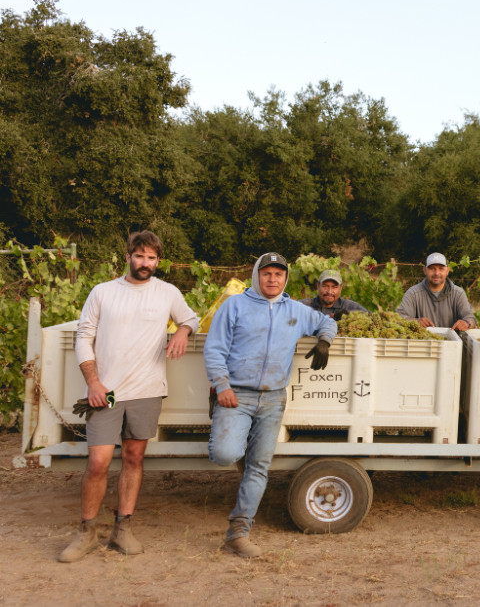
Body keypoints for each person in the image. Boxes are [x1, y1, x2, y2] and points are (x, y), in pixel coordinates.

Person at [59, 231, 200, 563]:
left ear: (158, 261)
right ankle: (87, 531)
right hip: (106, 393)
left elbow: (190, 317)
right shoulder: (103, 292)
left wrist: (182, 330)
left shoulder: (167, 292)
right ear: (128, 257)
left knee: (134, 459)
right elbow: (84, 337)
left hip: (147, 393)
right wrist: (94, 383)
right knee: (98, 462)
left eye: (151, 258)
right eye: (140, 256)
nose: (145, 263)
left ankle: (122, 528)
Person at [204, 252, 337, 558]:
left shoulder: (296, 310)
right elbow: (214, 349)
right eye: (267, 274)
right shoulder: (234, 305)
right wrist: (221, 386)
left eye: (278, 274)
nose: (272, 279)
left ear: (285, 278)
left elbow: (326, 322)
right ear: (256, 275)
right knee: (225, 454)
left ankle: (238, 532)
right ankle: (231, 431)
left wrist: (324, 341)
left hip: (274, 397)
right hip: (236, 394)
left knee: (259, 467)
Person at [396, 252, 476, 331]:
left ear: (447, 271)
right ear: (425, 270)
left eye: (441, 268)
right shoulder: (413, 293)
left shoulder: (458, 293)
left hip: (453, 343)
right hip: (423, 342)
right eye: (432, 268)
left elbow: (470, 318)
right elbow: (399, 318)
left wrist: (466, 323)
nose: (436, 273)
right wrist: (416, 321)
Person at [300, 269, 367, 320]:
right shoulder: (304, 306)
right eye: (325, 286)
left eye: (334, 287)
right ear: (318, 286)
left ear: (340, 288)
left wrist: (348, 315)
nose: (329, 291)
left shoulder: (350, 306)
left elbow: (370, 318)